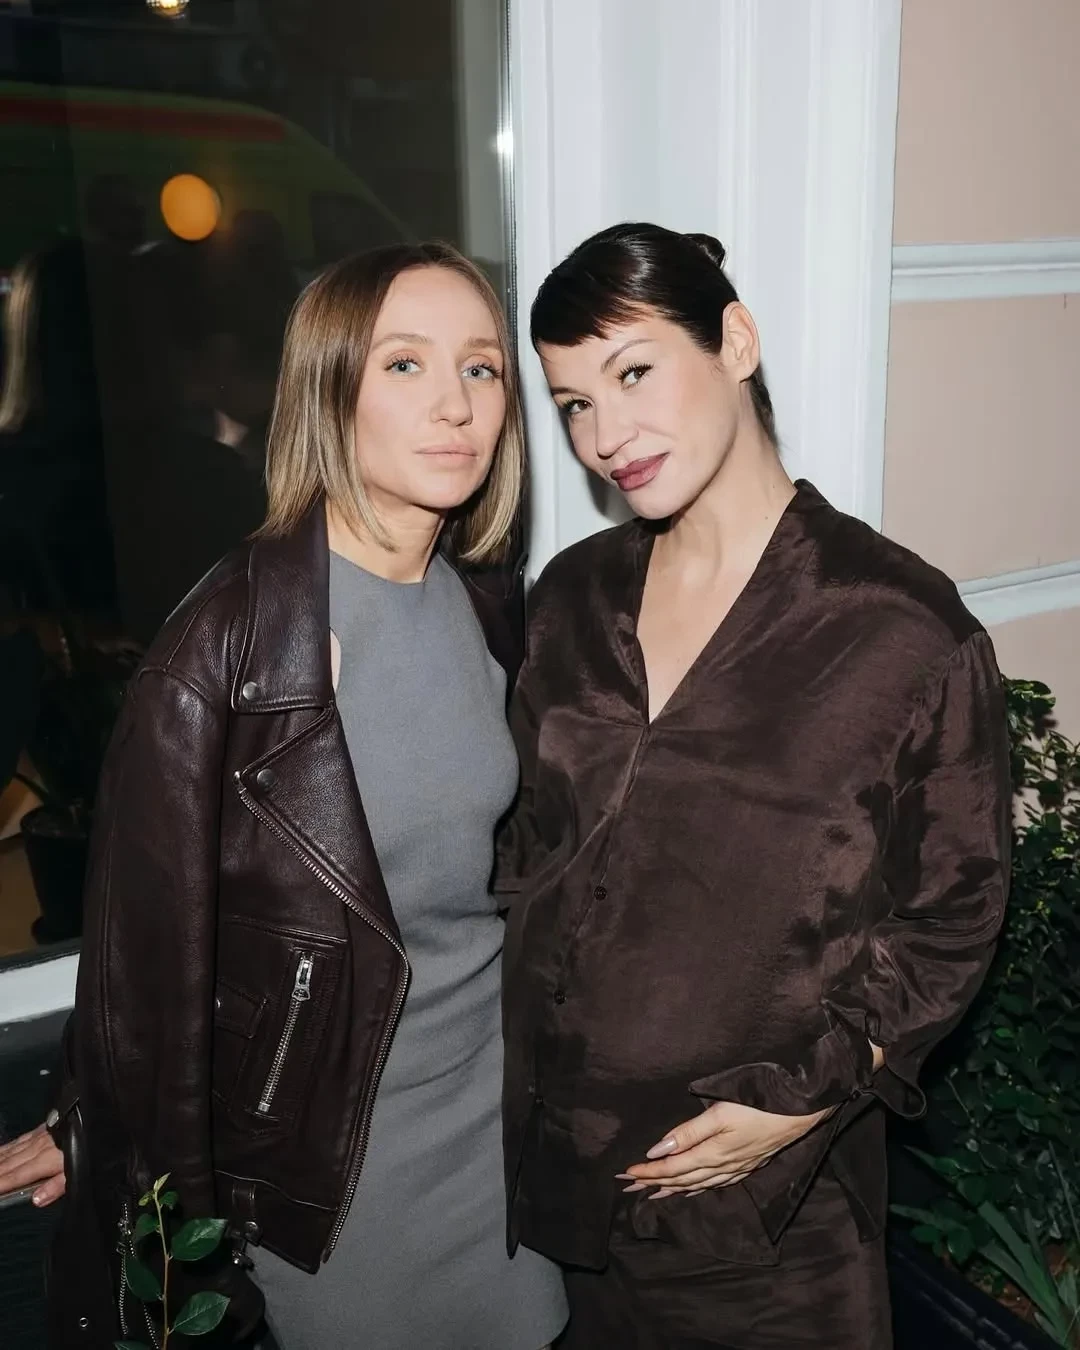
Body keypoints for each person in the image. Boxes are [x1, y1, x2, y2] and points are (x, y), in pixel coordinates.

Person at [0, 241, 567, 1350]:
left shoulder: (487, 606)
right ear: (329, 388)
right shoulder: (232, 651)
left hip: (499, 1137)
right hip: (337, 1180)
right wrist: (93, 1120)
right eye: (404, 364)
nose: (455, 404)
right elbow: (147, 946)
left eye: (481, 367)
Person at [497, 222, 1011, 1349]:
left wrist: (809, 1091)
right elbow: (525, 853)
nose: (605, 435)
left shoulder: (900, 630)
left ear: (735, 342)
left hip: (762, 1229)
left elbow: (953, 914)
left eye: (634, 373)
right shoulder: (570, 599)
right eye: (574, 402)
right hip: (552, 1187)